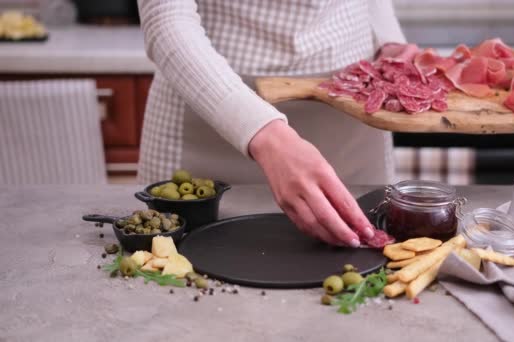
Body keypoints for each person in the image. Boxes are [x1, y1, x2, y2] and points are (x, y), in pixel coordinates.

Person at [137, 0, 406, 247]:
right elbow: (165, 16)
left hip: (350, 108)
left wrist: (388, 39)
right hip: (207, 104)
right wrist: (264, 133)